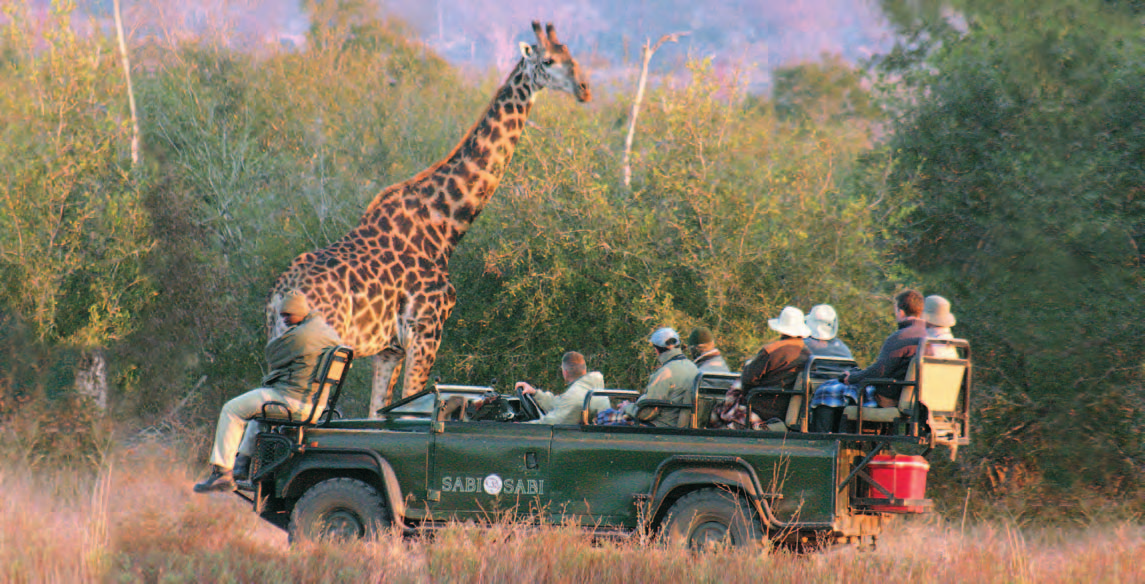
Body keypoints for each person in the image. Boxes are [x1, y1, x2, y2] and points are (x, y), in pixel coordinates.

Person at [194, 292, 341, 493]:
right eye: (283, 316)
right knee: (257, 409)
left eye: (288, 315)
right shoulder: (329, 333)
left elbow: (272, 355)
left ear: (299, 311)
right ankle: (241, 465)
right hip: (315, 405)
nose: (285, 319)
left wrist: (282, 334)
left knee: (232, 409)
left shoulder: (302, 335)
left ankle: (221, 473)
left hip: (293, 401)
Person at [809, 289, 927, 432]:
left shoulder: (901, 337)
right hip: (916, 400)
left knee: (828, 389)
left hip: (889, 397)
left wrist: (852, 378)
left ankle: (823, 441)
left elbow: (879, 371)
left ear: (900, 311)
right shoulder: (929, 338)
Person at [607, 327, 698, 428]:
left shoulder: (665, 372)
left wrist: (627, 407)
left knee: (604, 417)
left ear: (656, 350)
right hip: (681, 424)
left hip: (659, 426)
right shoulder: (694, 368)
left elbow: (647, 413)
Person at [736, 306, 813, 425]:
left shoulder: (771, 351)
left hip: (762, 408)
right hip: (787, 411)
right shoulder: (808, 354)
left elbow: (747, 379)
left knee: (724, 406)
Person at [515, 351, 609, 425]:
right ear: (584, 369)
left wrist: (518, 426)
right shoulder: (592, 388)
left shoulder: (575, 395)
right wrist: (535, 393)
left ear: (565, 372)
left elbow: (550, 423)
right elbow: (559, 404)